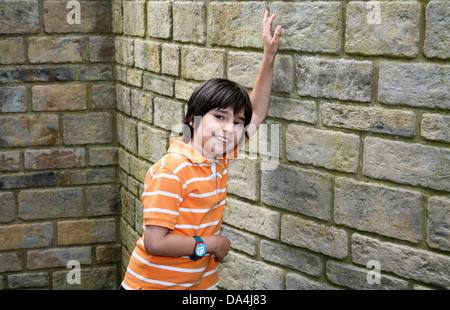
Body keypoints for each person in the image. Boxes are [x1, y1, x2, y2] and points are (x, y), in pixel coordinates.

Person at [119, 10, 281, 290]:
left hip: (199, 285)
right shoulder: (172, 170)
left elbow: (257, 114)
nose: (229, 129)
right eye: (219, 117)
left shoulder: (219, 158)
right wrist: (211, 244)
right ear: (194, 120)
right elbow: (154, 242)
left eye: (236, 122)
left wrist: (268, 57)